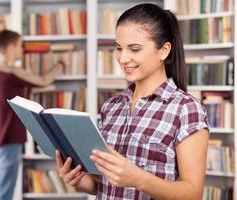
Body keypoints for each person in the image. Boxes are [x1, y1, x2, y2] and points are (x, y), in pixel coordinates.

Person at [56, 3, 209, 199]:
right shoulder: (111, 107)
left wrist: (139, 179)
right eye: (119, 48)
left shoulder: (186, 109)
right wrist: (80, 181)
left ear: (164, 51)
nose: (123, 58)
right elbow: (108, 186)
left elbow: (193, 194)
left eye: (134, 49)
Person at [0, 29, 64, 200]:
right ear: (11, 46)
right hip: (9, 139)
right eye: (20, 45)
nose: (22, 50)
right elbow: (43, 81)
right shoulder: (11, 73)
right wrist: (60, 65)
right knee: (5, 192)